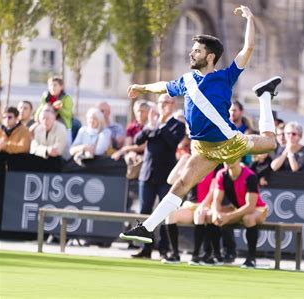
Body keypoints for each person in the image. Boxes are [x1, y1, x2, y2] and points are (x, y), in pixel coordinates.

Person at [120, 5, 280, 246]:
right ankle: (147, 228)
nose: (191, 54)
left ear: (210, 56)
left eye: (196, 51)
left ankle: (265, 95)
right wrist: (142, 88)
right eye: (192, 50)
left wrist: (250, 18)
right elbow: (164, 86)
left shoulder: (226, 76)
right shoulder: (186, 80)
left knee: (270, 142)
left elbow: (248, 48)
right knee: (182, 183)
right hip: (202, 148)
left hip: (228, 142)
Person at [131, 95, 185, 259]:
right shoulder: (151, 124)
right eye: (160, 103)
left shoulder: (177, 125)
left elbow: (172, 142)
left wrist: (160, 126)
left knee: (164, 213)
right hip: (147, 174)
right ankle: (145, 248)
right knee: (144, 211)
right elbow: (138, 140)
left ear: (172, 105)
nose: (162, 106)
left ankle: (164, 249)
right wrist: (150, 127)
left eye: (166, 103)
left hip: (165, 176)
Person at [163, 154, 223, 265]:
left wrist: (203, 205)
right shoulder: (190, 163)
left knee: (199, 215)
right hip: (191, 205)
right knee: (171, 215)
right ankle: (175, 254)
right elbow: (171, 180)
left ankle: (196, 255)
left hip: (208, 205)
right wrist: (182, 161)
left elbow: (213, 190)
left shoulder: (215, 163)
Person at [212, 158, 267, 268]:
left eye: (231, 157)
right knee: (213, 216)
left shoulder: (250, 176)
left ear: (239, 158)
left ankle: (251, 258)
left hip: (258, 209)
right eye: (225, 158)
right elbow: (217, 200)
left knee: (248, 218)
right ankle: (219, 254)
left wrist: (228, 216)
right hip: (237, 208)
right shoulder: (221, 174)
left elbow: (250, 207)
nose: (227, 160)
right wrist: (215, 213)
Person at [29, 106, 68, 171]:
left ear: (54, 118)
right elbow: (33, 148)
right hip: (42, 157)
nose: (45, 121)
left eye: (48, 118)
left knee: (54, 161)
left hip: (60, 161)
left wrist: (42, 150)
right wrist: (46, 150)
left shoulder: (61, 128)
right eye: (43, 118)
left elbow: (58, 151)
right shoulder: (38, 129)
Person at [35, 76, 73, 143]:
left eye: (55, 85)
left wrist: (60, 109)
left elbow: (69, 114)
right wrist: (37, 116)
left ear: (61, 87)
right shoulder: (45, 96)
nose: (52, 87)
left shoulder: (66, 98)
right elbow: (41, 107)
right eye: (50, 85)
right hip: (46, 125)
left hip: (63, 124)